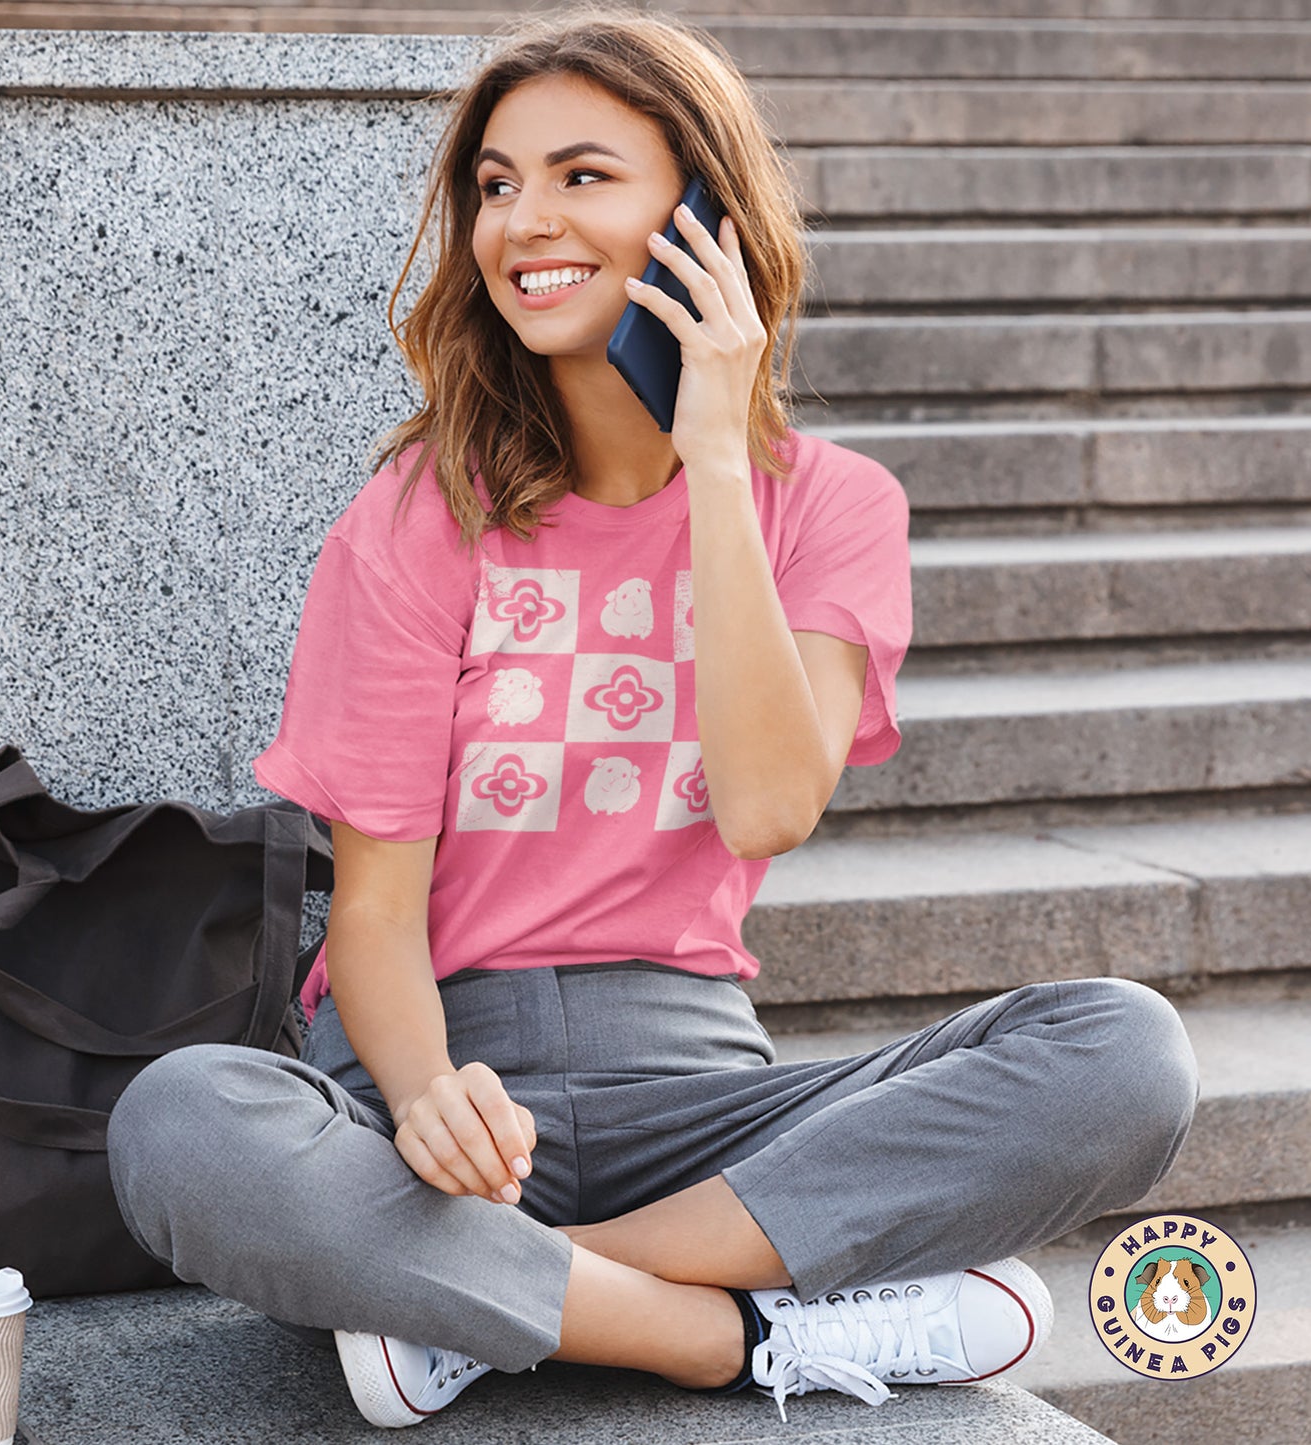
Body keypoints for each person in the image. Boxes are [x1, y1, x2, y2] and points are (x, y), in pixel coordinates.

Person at [106, 6, 1200, 1429]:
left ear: (704, 218)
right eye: (494, 184)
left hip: (697, 1106)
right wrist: (430, 1091)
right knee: (181, 1119)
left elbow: (765, 806)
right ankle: (718, 1334)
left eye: (578, 175)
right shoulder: (418, 513)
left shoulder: (829, 506)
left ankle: (475, 1300)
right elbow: (371, 912)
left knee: (1122, 1053)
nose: (519, 222)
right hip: (441, 1096)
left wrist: (715, 463)